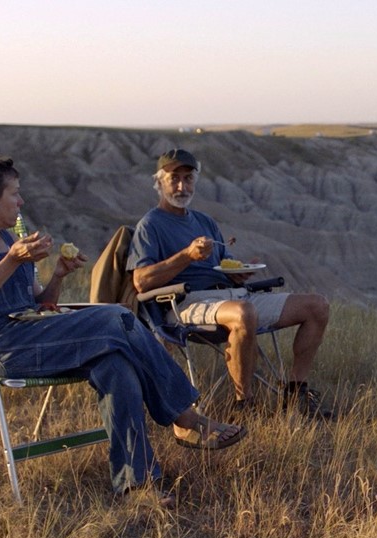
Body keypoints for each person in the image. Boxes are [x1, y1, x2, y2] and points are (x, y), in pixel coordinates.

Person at [0, 156, 245, 507]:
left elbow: (39, 304)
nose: (21, 202)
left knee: (116, 364)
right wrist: (11, 262)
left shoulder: (7, 241)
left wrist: (58, 275)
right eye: (15, 194)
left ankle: (135, 486)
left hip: (35, 335)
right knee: (116, 316)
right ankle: (183, 416)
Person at [127, 149, 333, 419]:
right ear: (159, 182)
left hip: (232, 295)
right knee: (243, 312)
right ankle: (243, 406)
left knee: (317, 306)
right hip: (185, 303)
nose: (181, 186)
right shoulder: (150, 225)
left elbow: (225, 264)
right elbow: (141, 282)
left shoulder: (205, 222)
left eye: (188, 178)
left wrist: (239, 272)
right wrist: (186, 256)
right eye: (174, 178)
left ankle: (295, 394)